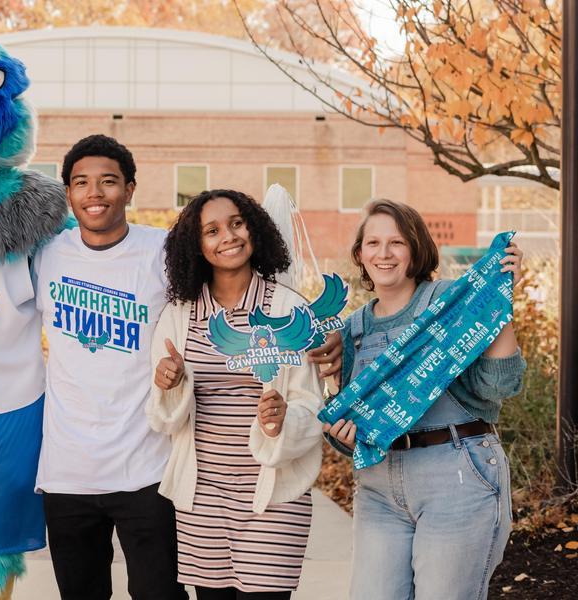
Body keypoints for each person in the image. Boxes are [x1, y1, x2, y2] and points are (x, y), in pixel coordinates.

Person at [323, 199, 525, 600]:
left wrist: (497, 304)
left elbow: (498, 387)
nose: (384, 253)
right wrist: (343, 437)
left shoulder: (448, 302)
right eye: (373, 242)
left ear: (416, 249)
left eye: (396, 242)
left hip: (456, 476)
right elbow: (355, 423)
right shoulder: (353, 330)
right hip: (378, 488)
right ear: (360, 254)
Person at [150, 189, 325, 600]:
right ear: (196, 245)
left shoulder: (286, 309)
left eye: (236, 223)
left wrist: (285, 417)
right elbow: (162, 417)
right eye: (211, 230)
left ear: (254, 228)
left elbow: (311, 403)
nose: (227, 236)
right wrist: (168, 386)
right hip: (203, 498)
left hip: (273, 495)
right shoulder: (180, 314)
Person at [33, 135, 186, 600]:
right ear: (68, 194)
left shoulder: (162, 251)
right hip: (67, 470)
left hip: (147, 466)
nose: (94, 193)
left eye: (108, 182)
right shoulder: (46, 255)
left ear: (130, 189)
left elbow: (221, 304)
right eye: (81, 183)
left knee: (159, 594)